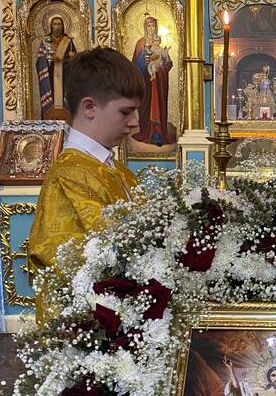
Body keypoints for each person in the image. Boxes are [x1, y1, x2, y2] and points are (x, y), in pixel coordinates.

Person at [28, 48, 144, 274]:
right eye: (126, 112)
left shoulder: (117, 169)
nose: (135, 123)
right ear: (89, 107)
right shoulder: (68, 177)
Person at [131, 15, 176, 147]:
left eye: (153, 26)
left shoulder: (160, 46)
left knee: (159, 106)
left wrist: (162, 68)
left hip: (159, 82)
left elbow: (169, 63)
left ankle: (159, 134)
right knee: (145, 107)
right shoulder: (140, 44)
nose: (151, 29)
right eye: (149, 26)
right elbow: (135, 65)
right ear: (145, 28)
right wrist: (145, 61)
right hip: (145, 82)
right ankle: (146, 132)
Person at [36, 16, 78, 119]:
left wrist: (72, 57)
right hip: (49, 76)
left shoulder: (68, 41)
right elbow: (40, 60)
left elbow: (75, 61)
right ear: (51, 26)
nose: (57, 27)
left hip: (65, 76)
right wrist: (45, 60)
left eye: (59, 24)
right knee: (51, 99)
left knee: (65, 98)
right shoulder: (46, 41)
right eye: (55, 24)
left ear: (63, 26)